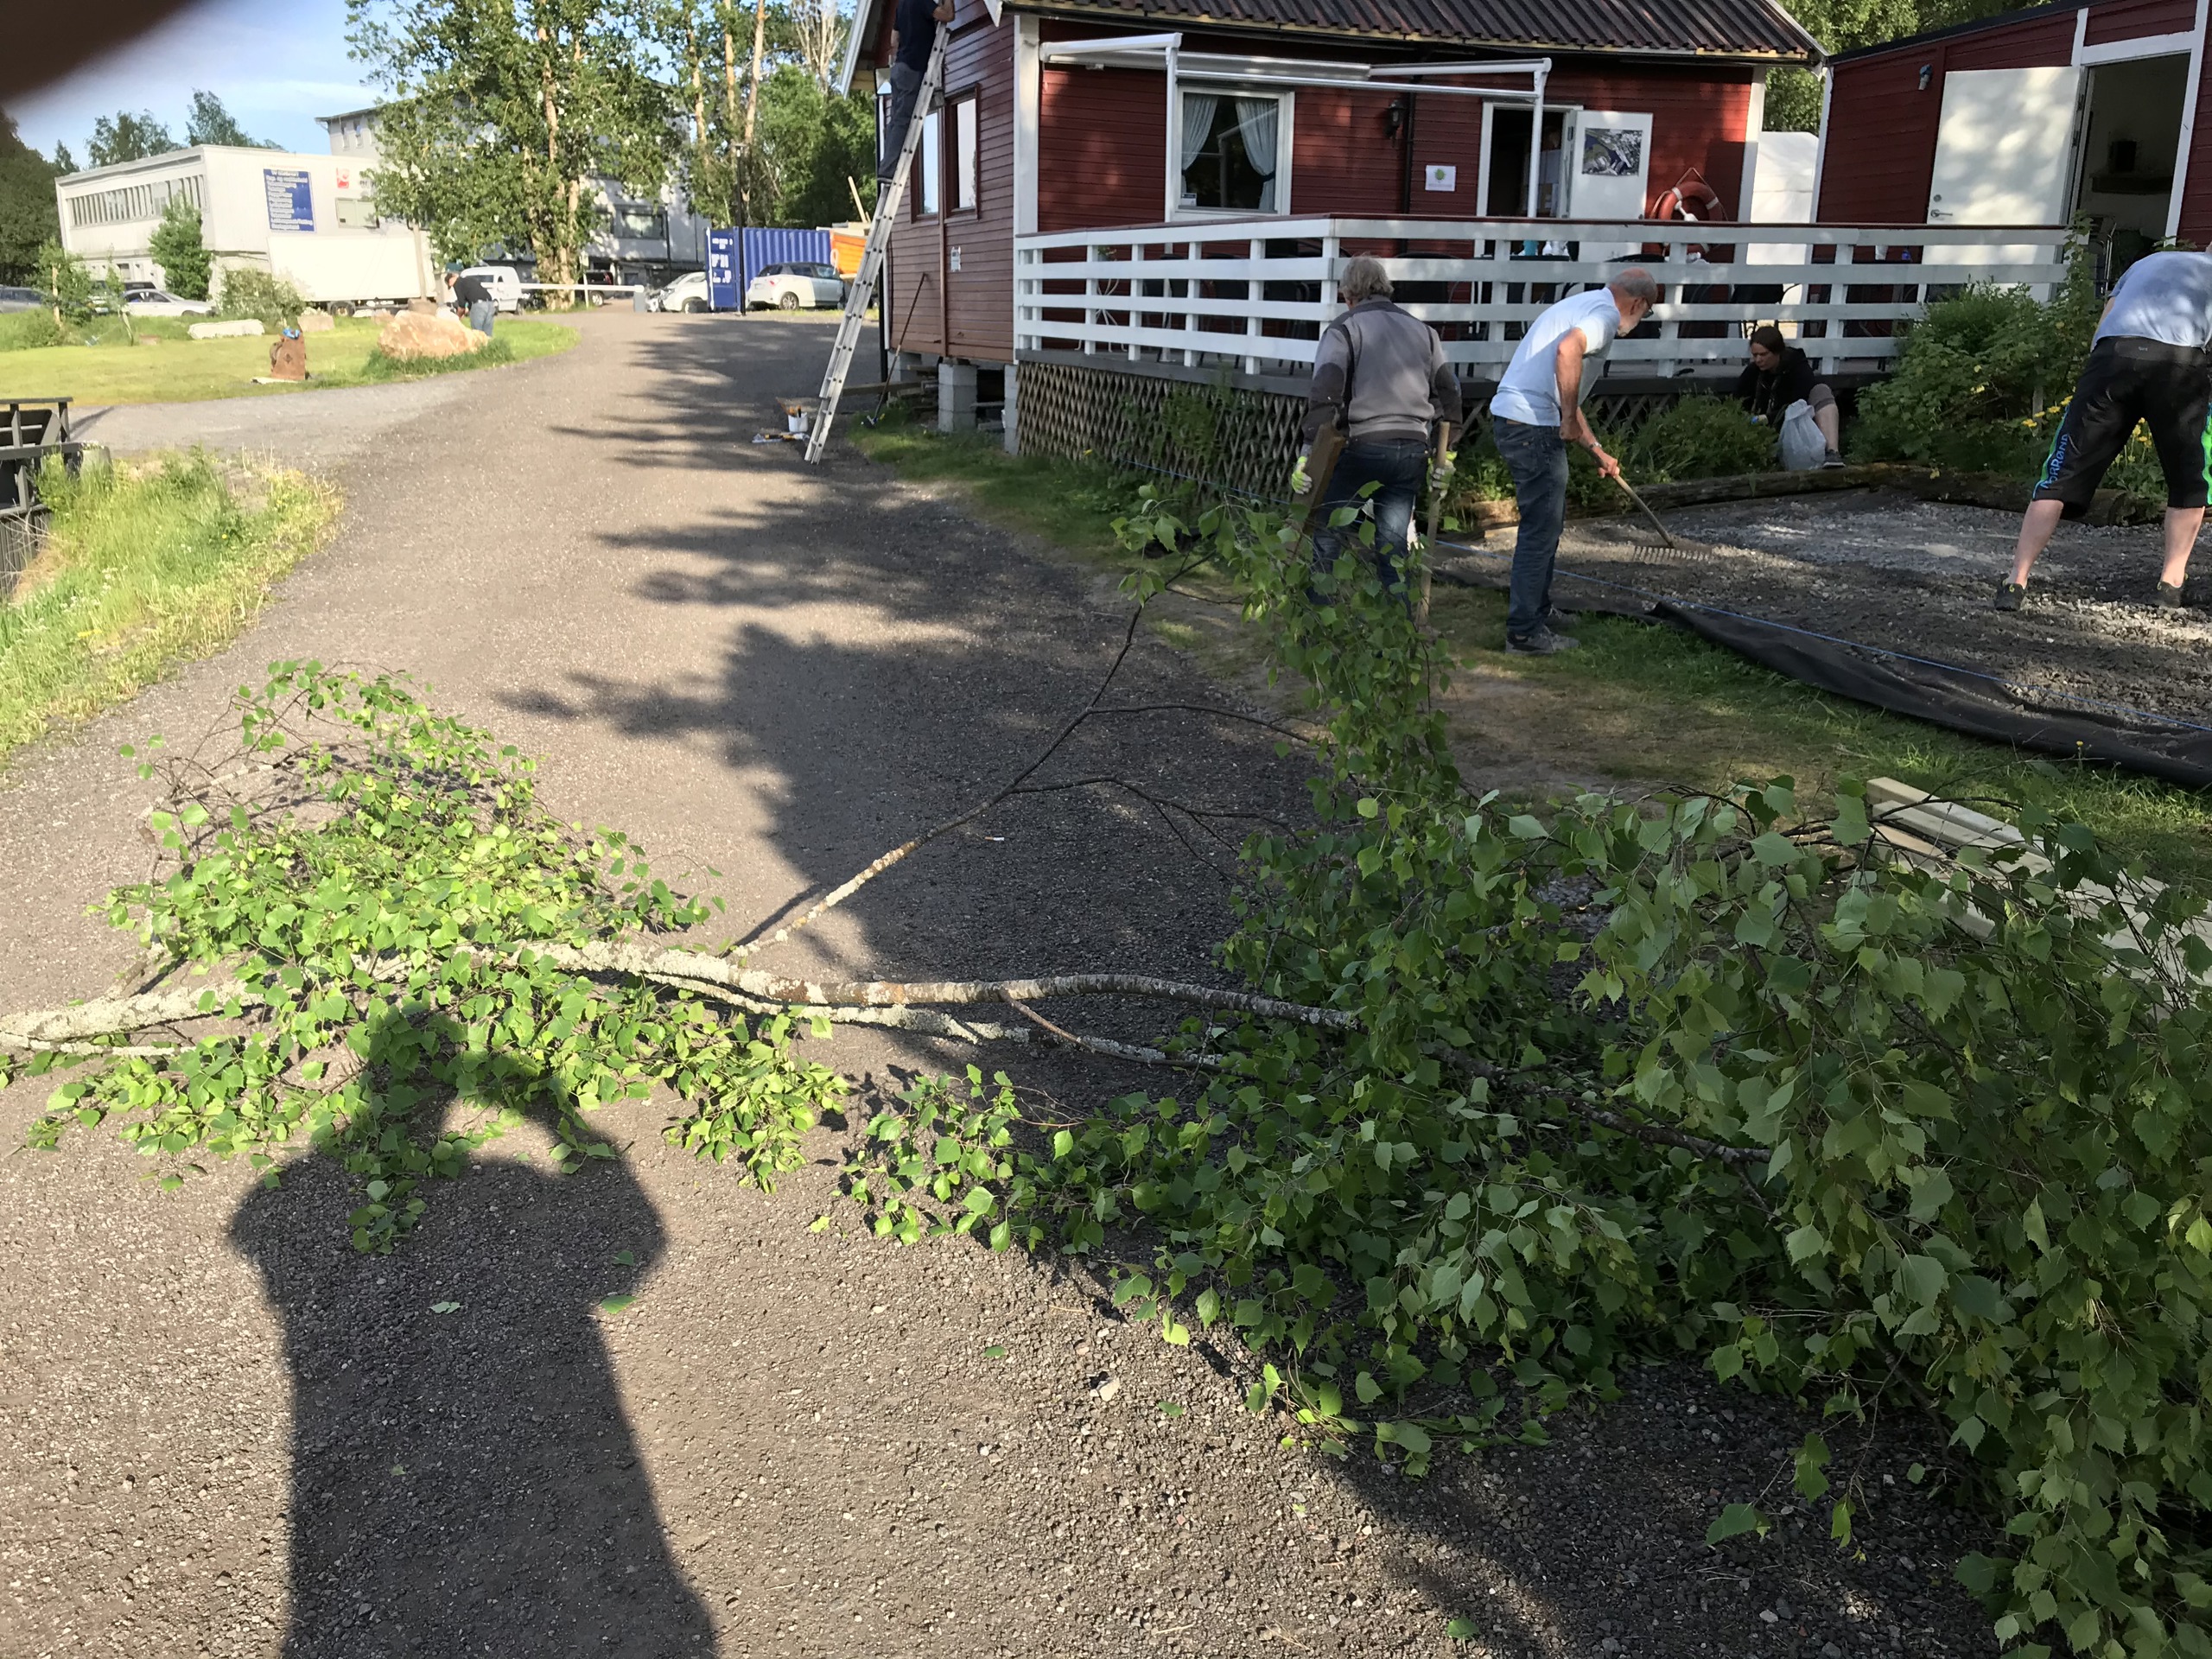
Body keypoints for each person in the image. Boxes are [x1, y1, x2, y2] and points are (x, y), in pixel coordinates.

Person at [1998, 249, 2212, 611]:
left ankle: (2016, 580)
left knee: (2061, 474)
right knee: (2190, 478)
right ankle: (2169, 584)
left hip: (2113, 356)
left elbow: (2102, 326)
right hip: (2178, 363)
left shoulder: (2147, 262)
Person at [1487, 269, 1658, 653]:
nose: (1640, 320)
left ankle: (1538, 610)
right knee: (1540, 531)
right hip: (1532, 427)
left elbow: (1564, 388)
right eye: (1645, 313)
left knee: (1546, 526)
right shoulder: (1606, 316)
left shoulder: (1582, 304)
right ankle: (1524, 633)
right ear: (1637, 303)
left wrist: (1596, 449)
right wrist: (1565, 419)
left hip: (1518, 421)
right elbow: (1568, 351)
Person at [1290, 255, 1464, 601]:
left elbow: (1325, 395)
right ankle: (1399, 624)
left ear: (1347, 295)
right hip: (1412, 449)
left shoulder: (1343, 329)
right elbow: (1449, 394)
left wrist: (1307, 455)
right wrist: (1447, 455)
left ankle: (1318, 621)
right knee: (1393, 546)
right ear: (1385, 288)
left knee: (1328, 535)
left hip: (1361, 447)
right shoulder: (1424, 332)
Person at [1736, 324, 1842, 467]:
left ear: (1777, 352)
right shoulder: (1753, 372)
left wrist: (1767, 418)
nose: (1758, 360)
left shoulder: (1798, 367)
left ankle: (1832, 453)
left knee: (1821, 391)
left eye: (1764, 354)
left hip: (1797, 424)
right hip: (1765, 431)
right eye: (1755, 355)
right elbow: (1737, 400)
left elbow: (1800, 402)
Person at [880, 0, 956, 184]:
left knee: (895, 120)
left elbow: (894, 40)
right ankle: (889, 170)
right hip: (913, 69)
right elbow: (948, 16)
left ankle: (886, 166)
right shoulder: (922, 1)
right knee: (903, 120)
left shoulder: (902, 5)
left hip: (899, 68)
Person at [448, 268, 495, 336]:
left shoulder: (457, 283)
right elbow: (472, 294)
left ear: (450, 280)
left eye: (450, 285)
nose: (452, 286)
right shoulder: (470, 279)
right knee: (487, 334)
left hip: (479, 306)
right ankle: (489, 343)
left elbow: (461, 304)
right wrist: (468, 308)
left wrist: (458, 317)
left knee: (477, 334)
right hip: (490, 303)